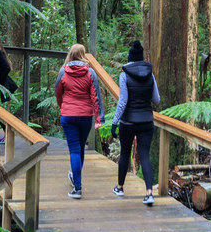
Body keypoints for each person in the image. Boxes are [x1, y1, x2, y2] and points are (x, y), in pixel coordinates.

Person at [111, 39, 160, 205]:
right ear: (141, 58)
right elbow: (157, 99)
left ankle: (120, 187)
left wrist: (114, 121)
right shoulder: (150, 74)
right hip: (146, 120)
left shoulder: (124, 75)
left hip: (128, 122)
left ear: (129, 58)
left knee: (125, 152)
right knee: (145, 155)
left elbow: (123, 101)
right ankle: (148, 193)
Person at [55, 44, 105, 200]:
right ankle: (76, 180)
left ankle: (77, 187)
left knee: (75, 150)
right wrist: (98, 118)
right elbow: (95, 97)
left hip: (68, 115)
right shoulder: (90, 72)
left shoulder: (63, 72)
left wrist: (63, 106)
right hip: (85, 116)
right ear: (83, 55)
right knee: (80, 148)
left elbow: (58, 92)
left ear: (70, 54)